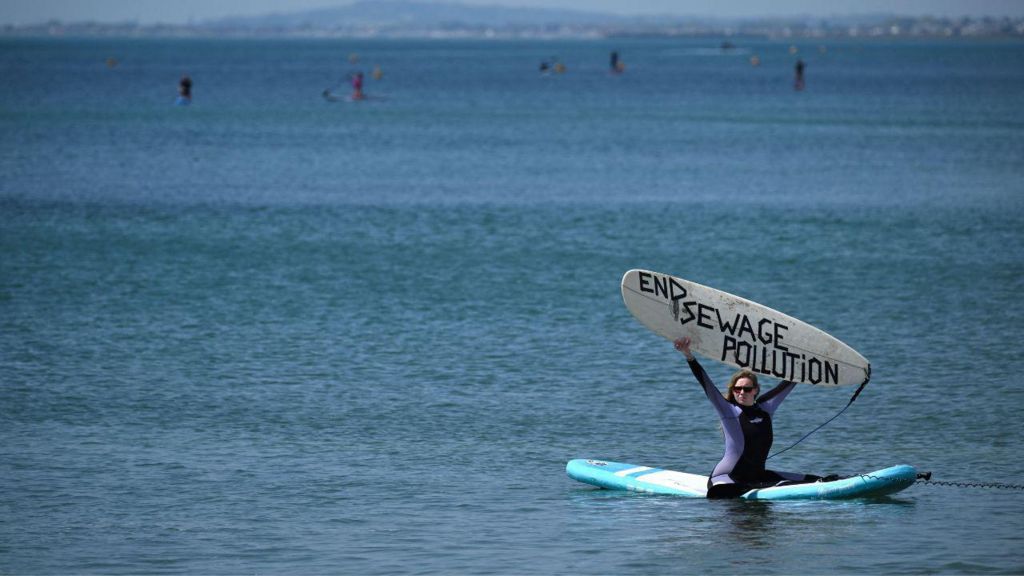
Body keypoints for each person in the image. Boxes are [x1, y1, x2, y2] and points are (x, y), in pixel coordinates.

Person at [674, 336, 825, 498]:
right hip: (726, 478)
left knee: (819, 480)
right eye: (737, 389)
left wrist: (808, 358)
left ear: (756, 390)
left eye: (747, 389)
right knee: (725, 492)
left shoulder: (765, 408)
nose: (741, 392)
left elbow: (790, 381)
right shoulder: (728, 410)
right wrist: (688, 355)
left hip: (757, 477)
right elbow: (706, 384)